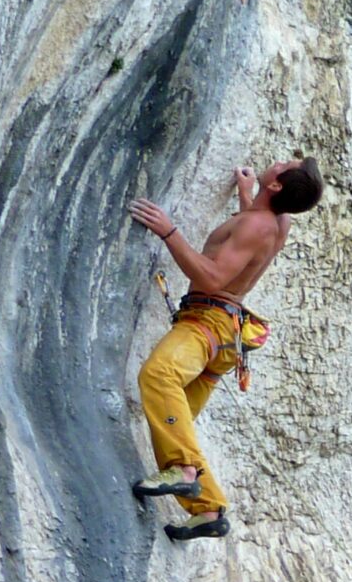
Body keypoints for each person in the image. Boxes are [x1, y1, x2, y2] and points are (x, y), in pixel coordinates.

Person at [127, 158, 322, 540]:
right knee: (174, 419)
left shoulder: (256, 223)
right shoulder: (279, 222)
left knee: (159, 375)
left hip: (207, 323)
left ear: (277, 186)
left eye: (285, 164)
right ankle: (208, 509)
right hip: (227, 338)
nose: (279, 161)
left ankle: (184, 470)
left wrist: (170, 232)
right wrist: (248, 193)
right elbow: (251, 234)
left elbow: (211, 276)